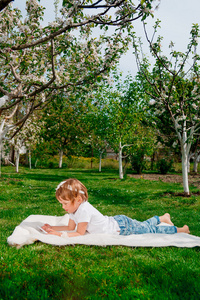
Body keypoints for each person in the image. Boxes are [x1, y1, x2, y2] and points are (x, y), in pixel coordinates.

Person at [42, 178, 190, 238]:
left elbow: (79, 233)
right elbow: (70, 227)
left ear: (78, 199)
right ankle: (162, 218)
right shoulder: (74, 210)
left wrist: (57, 235)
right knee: (144, 225)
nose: (63, 207)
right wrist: (53, 228)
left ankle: (181, 230)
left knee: (150, 230)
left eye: (65, 203)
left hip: (122, 227)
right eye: (61, 203)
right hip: (118, 221)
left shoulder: (84, 210)